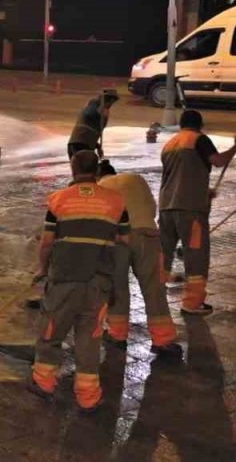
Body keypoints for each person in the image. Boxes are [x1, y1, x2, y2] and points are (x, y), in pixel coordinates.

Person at [30, 150, 129, 413]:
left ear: (73, 168)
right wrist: (116, 282)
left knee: (51, 332)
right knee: (89, 337)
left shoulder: (59, 200)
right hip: (98, 282)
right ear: (96, 170)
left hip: (64, 280)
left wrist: (42, 269)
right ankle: (88, 395)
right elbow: (124, 244)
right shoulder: (116, 202)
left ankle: (44, 382)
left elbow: (48, 242)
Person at [158, 110, 236, 316]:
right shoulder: (198, 139)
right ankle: (192, 303)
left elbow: (180, 175)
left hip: (166, 208)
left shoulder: (170, 144)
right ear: (200, 125)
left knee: (164, 254)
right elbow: (218, 161)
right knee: (196, 255)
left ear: (181, 124)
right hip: (190, 211)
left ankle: (155, 294)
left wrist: (203, 192)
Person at [98, 161, 182, 359]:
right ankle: (163, 340)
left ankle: (117, 335)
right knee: (154, 287)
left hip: (117, 238)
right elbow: (152, 208)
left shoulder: (100, 188)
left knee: (117, 287)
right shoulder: (136, 179)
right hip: (147, 235)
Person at [67, 89, 120, 158]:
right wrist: (99, 111)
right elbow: (88, 114)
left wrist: (97, 147)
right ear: (111, 100)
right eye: (112, 101)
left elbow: (93, 131)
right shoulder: (94, 104)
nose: (112, 104)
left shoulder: (103, 111)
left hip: (86, 144)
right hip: (79, 144)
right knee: (83, 167)